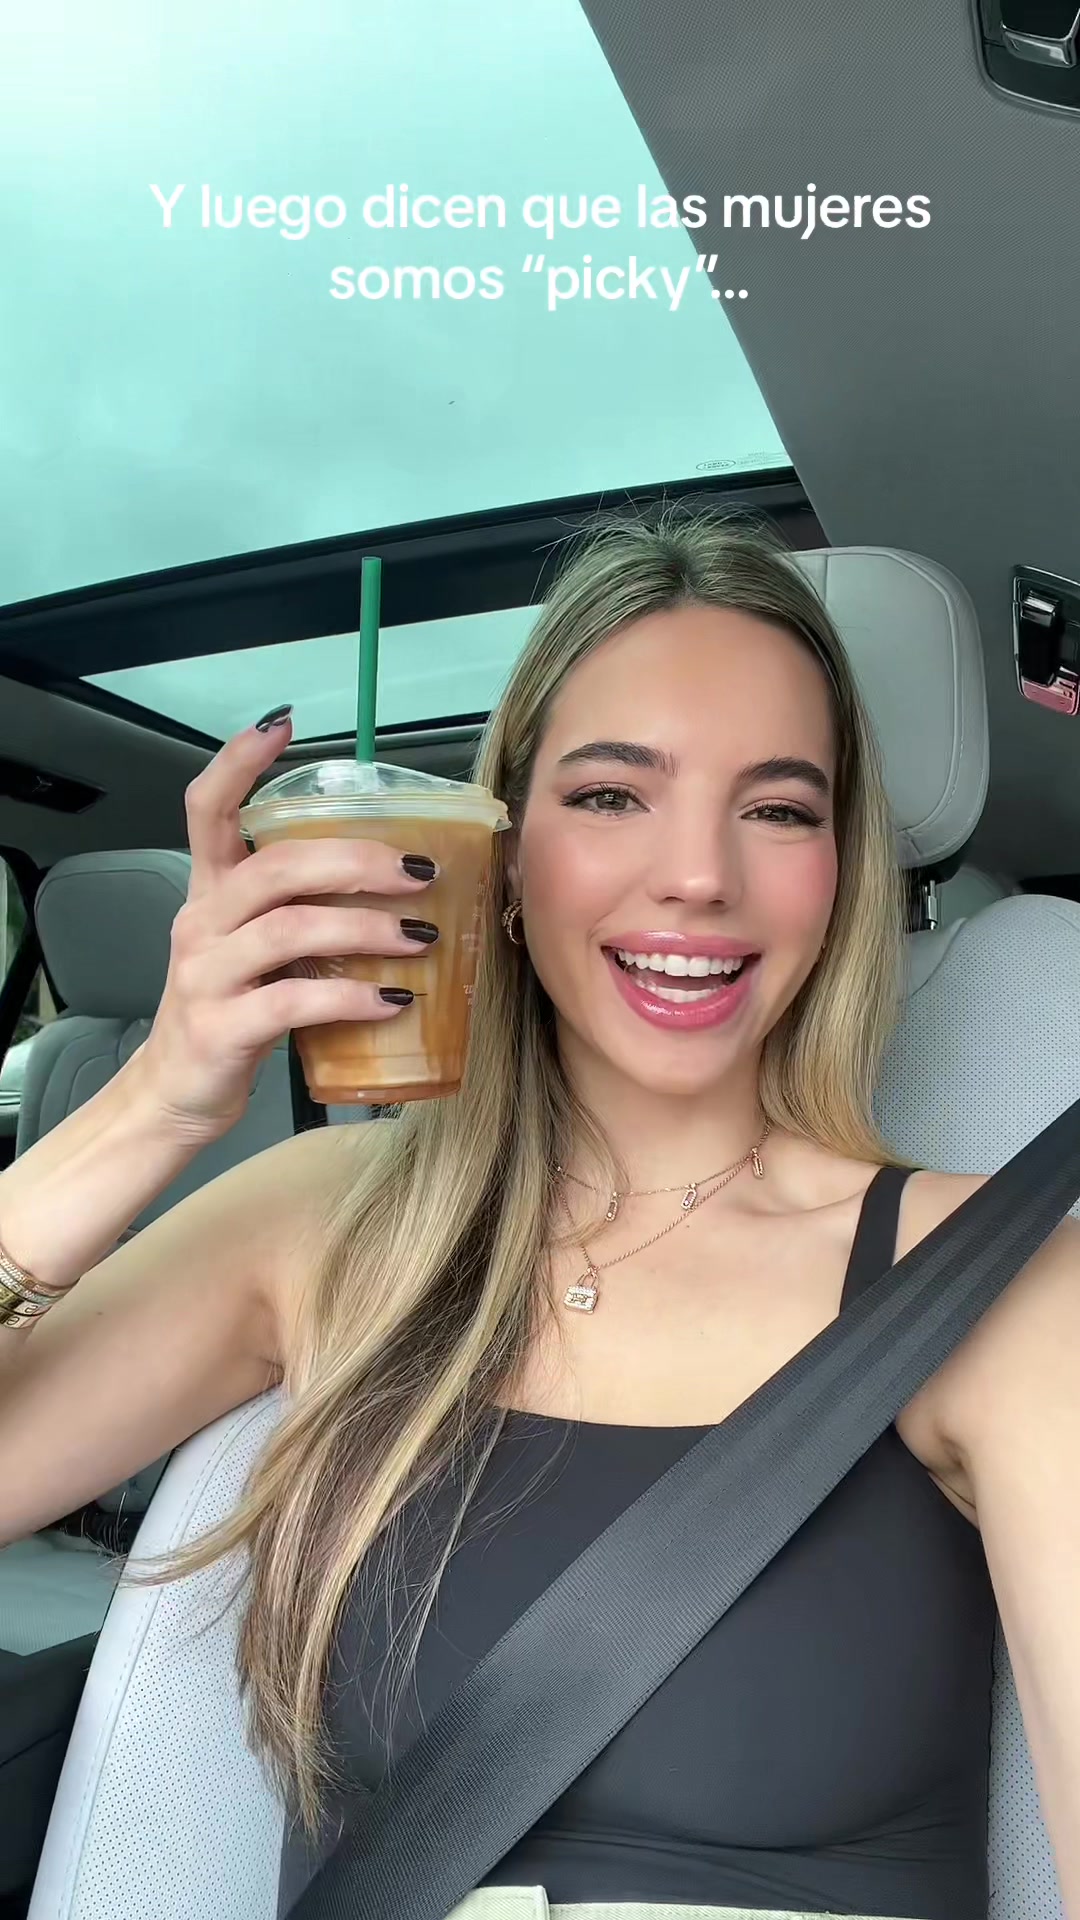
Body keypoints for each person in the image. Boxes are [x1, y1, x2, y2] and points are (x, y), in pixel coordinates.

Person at [0, 508, 1077, 1920]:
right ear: (501, 854)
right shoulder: (328, 1226)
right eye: (613, 795)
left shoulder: (1001, 1285)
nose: (698, 873)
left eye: (779, 808)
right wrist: (154, 1104)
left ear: (841, 869)